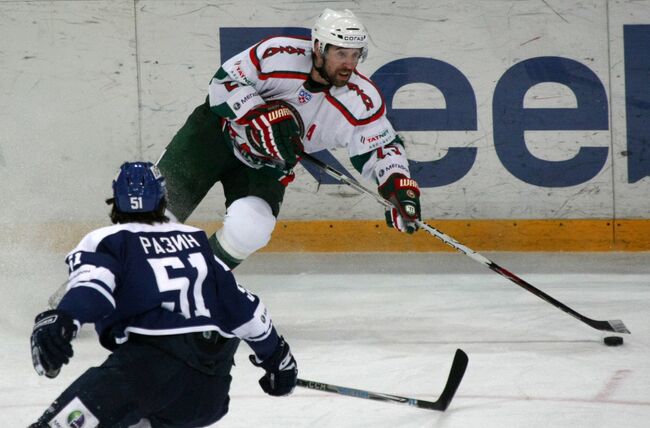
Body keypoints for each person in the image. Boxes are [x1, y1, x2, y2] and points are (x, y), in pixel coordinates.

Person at [29, 162, 298, 427]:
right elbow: (247, 310)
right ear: (162, 200)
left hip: (146, 373)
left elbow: (93, 288)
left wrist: (65, 318)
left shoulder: (111, 239)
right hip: (209, 391)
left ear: (116, 201)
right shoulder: (195, 241)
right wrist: (278, 361)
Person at [156, 8, 422, 269]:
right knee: (150, 220)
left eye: (355, 55)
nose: (349, 65)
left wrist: (398, 184)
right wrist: (257, 113)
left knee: (251, 228)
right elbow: (223, 83)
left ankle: (197, 280)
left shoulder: (361, 100)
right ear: (318, 47)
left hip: (268, 165)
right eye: (341, 53)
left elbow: (382, 147)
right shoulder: (278, 54)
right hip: (213, 135)